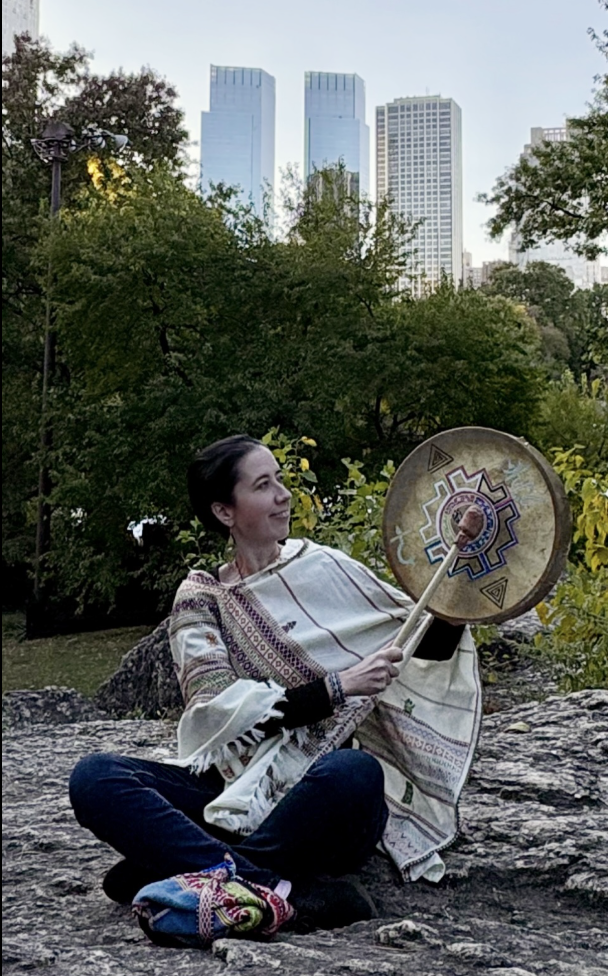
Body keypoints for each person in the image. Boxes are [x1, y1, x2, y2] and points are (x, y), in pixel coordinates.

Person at [69, 434, 481, 947]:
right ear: (224, 511)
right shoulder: (203, 597)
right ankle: (282, 889)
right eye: (263, 485)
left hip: (316, 804)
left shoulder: (323, 566)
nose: (283, 495)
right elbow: (217, 713)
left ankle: (185, 866)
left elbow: (428, 641)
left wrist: (459, 569)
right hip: (230, 790)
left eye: (280, 480)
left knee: (356, 773)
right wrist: (339, 687)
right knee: (96, 777)